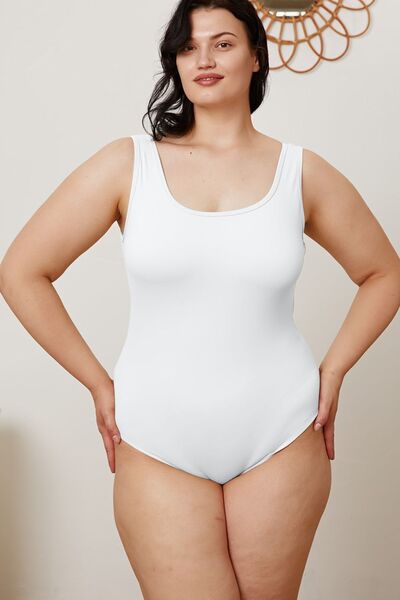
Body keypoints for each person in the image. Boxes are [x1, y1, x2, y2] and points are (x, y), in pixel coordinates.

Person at [1, 1, 399, 599]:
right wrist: (98, 384)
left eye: (223, 43)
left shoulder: (300, 172)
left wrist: (334, 369)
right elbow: (22, 271)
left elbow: (383, 273)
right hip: (156, 434)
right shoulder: (127, 164)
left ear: (256, 56)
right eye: (188, 47)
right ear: (175, 63)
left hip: (282, 431)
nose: (203, 59)